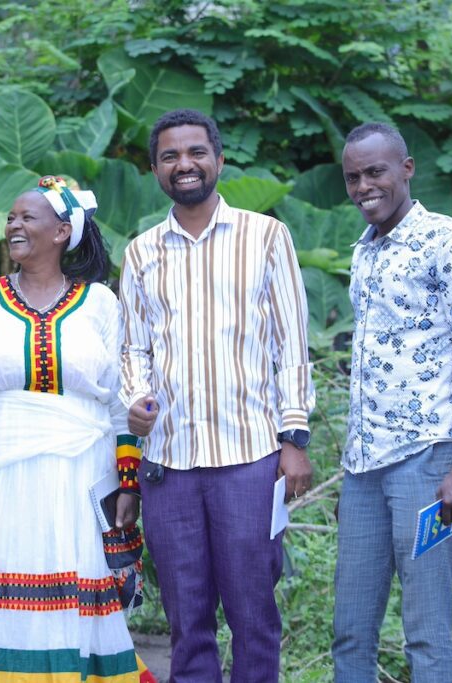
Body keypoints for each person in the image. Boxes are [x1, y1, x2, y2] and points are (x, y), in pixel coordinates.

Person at [0, 176, 155, 682]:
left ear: (62, 231)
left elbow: (121, 401)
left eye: (27, 217)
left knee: (73, 585)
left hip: (77, 478)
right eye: (10, 217)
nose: (13, 225)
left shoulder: (100, 304)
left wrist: (127, 482)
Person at [119, 108, 314, 683]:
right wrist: (136, 398)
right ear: (156, 169)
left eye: (196, 152)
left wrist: (294, 438)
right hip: (169, 464)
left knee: (254, 610)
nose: (185, 164)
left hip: (250, 459)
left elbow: (292, 344)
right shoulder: (140, 252)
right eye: (171, 156)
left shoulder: (266, 236)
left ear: (219, 159)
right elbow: (135, 350)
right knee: (187, 614)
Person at [332, 122, 452, 682]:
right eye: (353, 177)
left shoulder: (448, 242)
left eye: (375, 172)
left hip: (426, 463)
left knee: (426, 633)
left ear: (405, 169)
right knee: (350, 631)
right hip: (362, 470)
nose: (363, 186)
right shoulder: (364, 251)